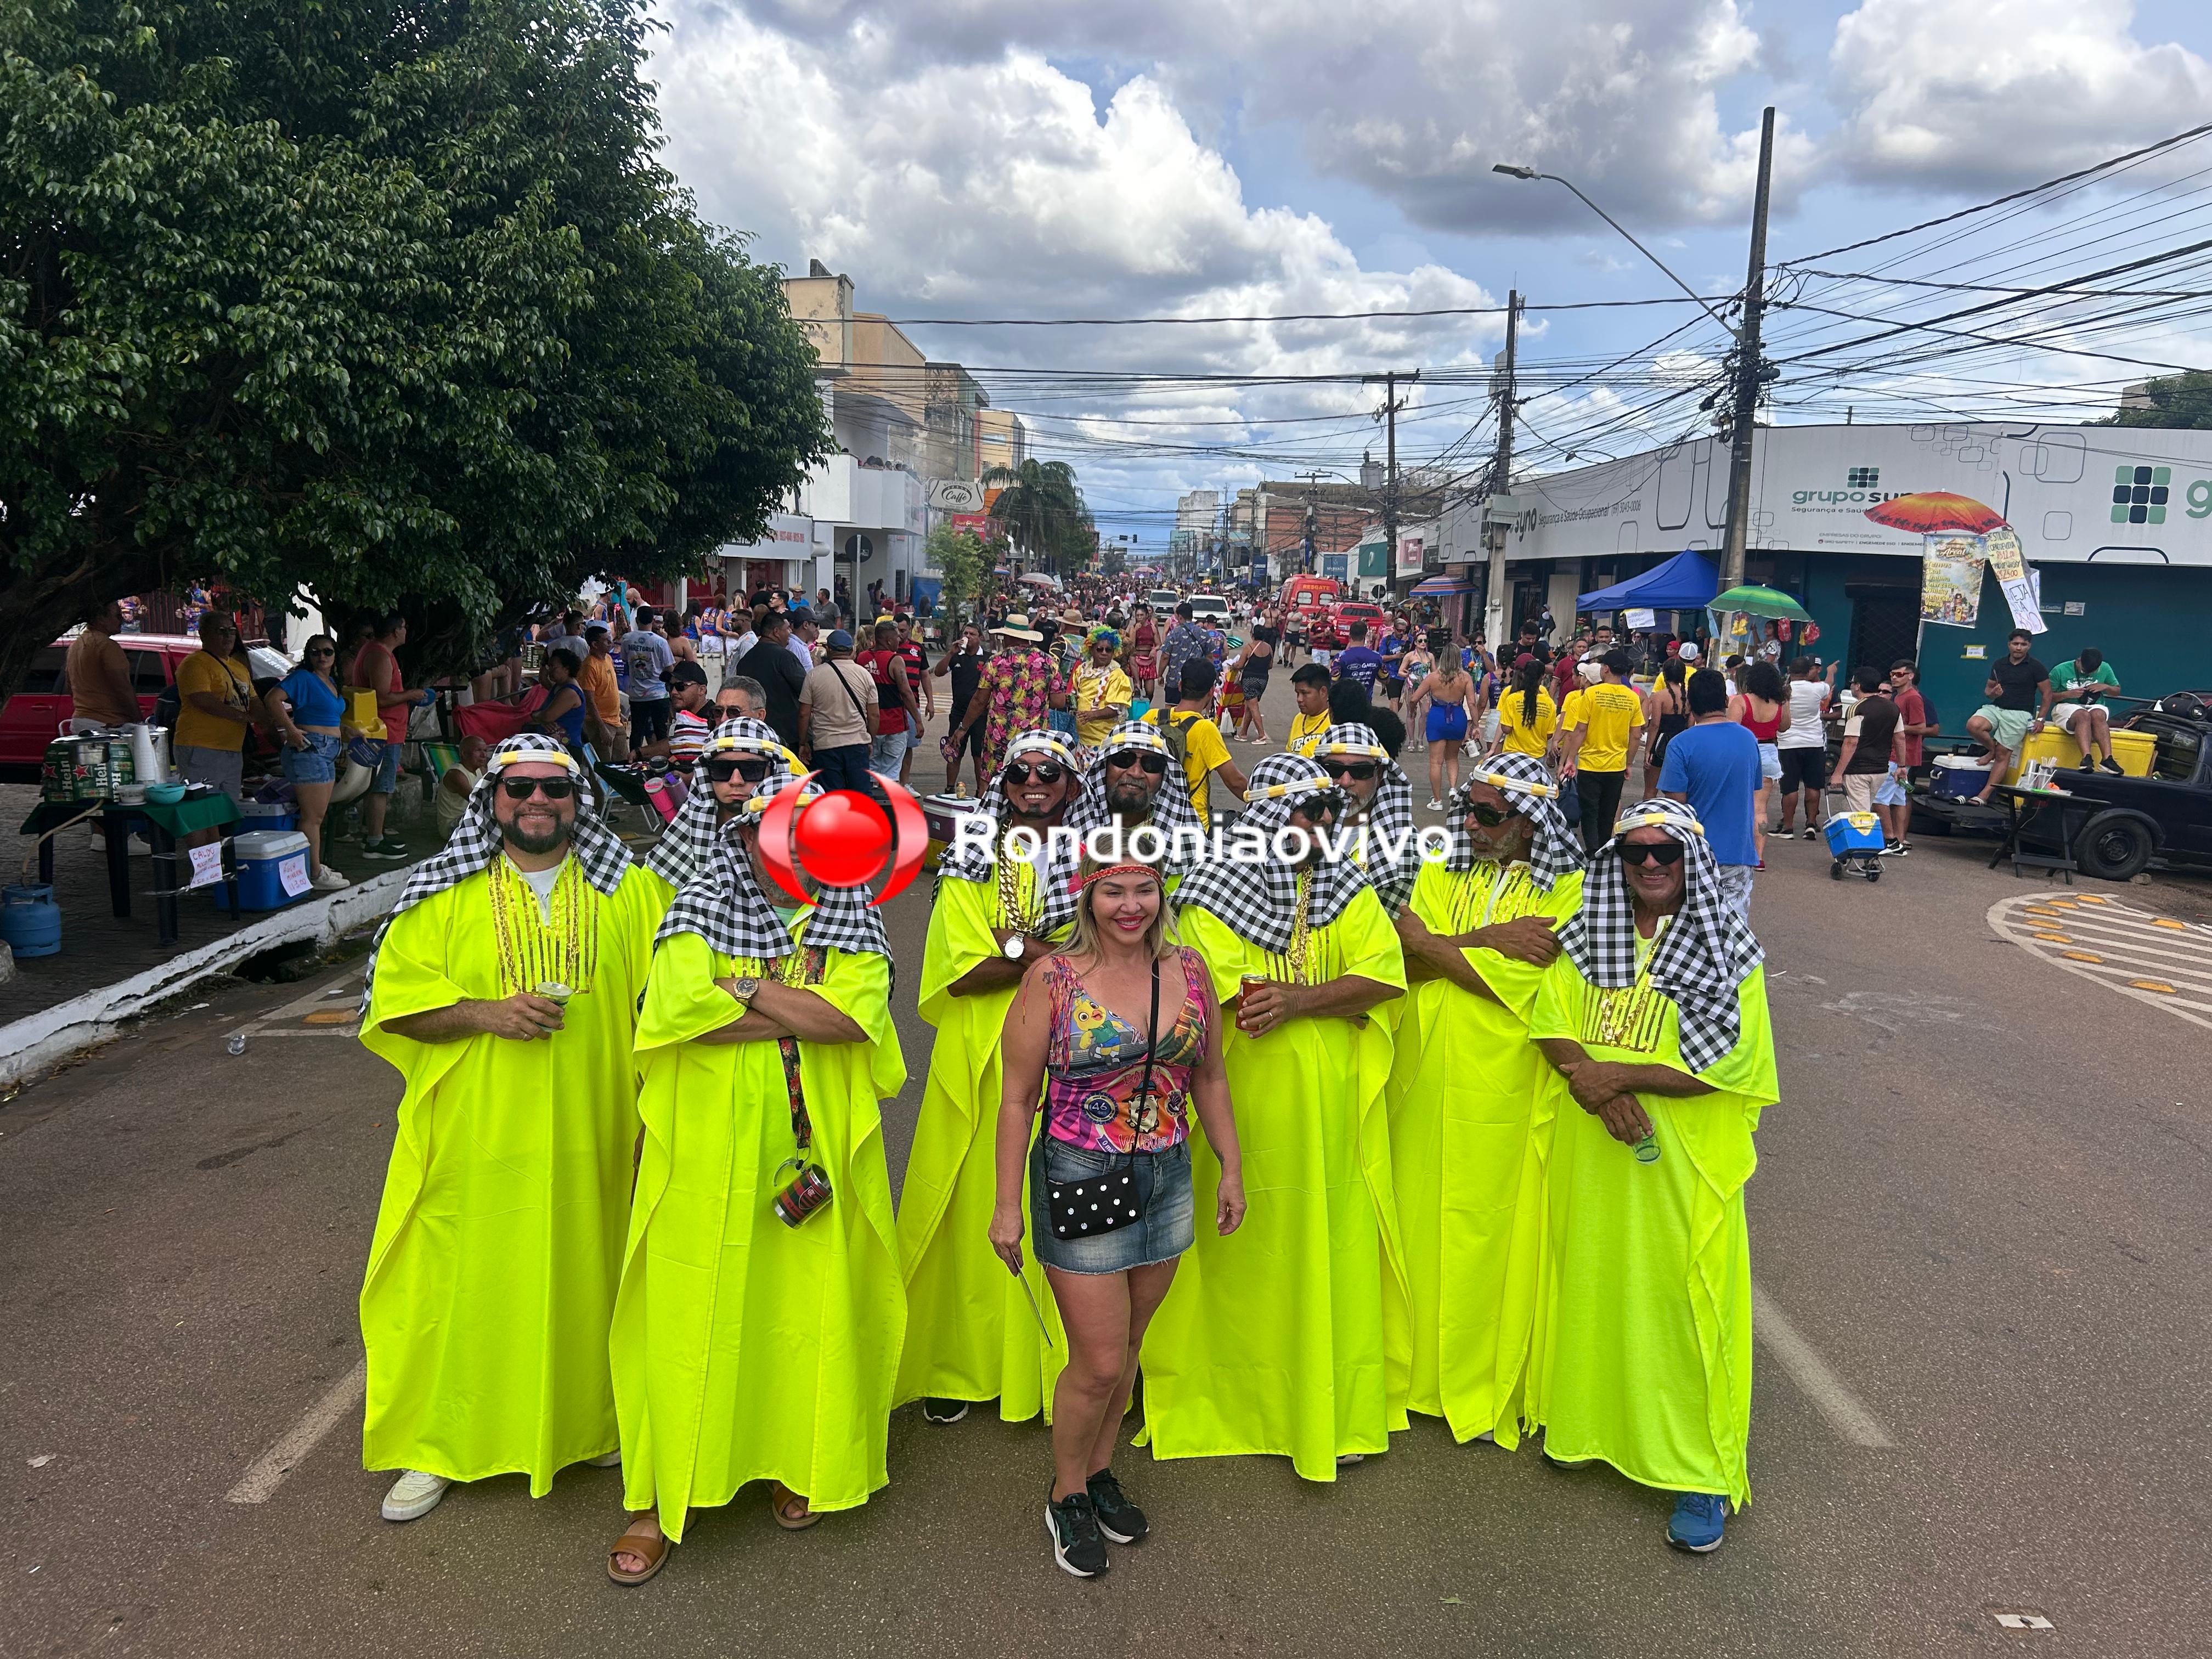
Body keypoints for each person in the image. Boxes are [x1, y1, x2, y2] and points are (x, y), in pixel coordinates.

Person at [604, 776, 905, 1583]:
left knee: (801, 1310)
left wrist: (740, 988)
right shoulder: (697, 908)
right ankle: (658, 1500)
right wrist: (795, 1002)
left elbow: (853, 1023)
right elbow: (674, 1016)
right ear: (742, 842)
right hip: (703, 1155)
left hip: (815, 1155)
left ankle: (794, 1456)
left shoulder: (849, 914)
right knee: (687, 1312)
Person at [358, 736, 658, 1524]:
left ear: (576, 800)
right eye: (518, 787)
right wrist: (480, 1014)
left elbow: (669, 1006)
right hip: (477, 1137)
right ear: (491, 799)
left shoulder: (629, 892)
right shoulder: (442, 895)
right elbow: (394, 1005)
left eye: (554, 789)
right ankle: (437, 1444)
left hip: (599, 1129)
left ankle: (589, 1423)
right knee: (458, 1285)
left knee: (589, 1276)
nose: (537, 802)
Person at [1142, 751, 1407, 1480]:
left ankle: (1326, 1403)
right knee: (1240, 1254)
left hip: (1330, 1116)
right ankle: (1229, 1401)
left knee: (1324, 1249)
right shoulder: (1209, 892)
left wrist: (1300, 1000)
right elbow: (1238, 1000)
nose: (1323, 824)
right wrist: (1329, 998)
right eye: (1307, 810)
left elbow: (1382, 976)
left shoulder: (1346, 887)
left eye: (1332, 810)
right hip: (1239, 1112)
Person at [1527, 799, 1776, 1554]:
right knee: (1594, 1291)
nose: (1651, 867)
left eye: (1666, 852)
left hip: (1680, 1169)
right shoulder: (1591, 935)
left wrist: (1617, 1079)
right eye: (1635, 855)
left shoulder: (1726, 946)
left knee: (1683, 1308)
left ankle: (1701, 1472)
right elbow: (1551, 1024)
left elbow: (1737, 1065)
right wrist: (1592, 1083)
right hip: (1596, 1158)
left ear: (1691, 860)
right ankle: (1587, 1427)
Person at [991, 855, 1244, 1577]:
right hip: (1080, 1173)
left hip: (1166, 1175)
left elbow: (1211, 1076)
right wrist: (1007, 1207)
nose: (1130, 905)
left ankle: (1098, 1472)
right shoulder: (1053, 980)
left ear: (1162, 893)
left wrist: (1230, 1165)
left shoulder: (1191, 969)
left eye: (1143, 889)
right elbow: (1016, 1099)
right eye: (1113, 891)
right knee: (1098, 1361)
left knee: (1130, 1345)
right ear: (1088, 898)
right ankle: (1066, 1492)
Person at [1386, 753, 1585, 1445]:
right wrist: (1482, 942)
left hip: (1502, 1092)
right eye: (1466, 810)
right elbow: (1397, 957)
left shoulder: (1572, 893)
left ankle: (1470, 1379)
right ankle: (1407, 1375)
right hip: (1420, 1079)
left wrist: (1436, 945)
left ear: (1531, 826)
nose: (1468, 823)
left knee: (1487, 1235)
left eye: (1487, 815)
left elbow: (1528, 987)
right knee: (1413, 1223)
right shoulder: (1441, 869)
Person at [902, 732, 1086, 1427]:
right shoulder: (972, 862)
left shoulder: (1094, 858)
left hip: (1078, 1051)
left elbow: (1121, 946)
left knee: (1075, 1200)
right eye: (1018, 773)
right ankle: (963, 1364)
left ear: (1071, 784)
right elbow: (964, 969)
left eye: (1049, 773)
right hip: (984, 1057)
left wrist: (1011, 944)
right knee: (978, 1200)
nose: (1032, 783)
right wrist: (1060, 955)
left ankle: (1072, 1370)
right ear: (1001, 782)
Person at [639, 718, 794, 905]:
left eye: (752, 770)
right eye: (722, 769)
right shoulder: (681, 841)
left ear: (773, 772)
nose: (736, 781)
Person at [1660, 670, 1763, 921]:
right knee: (1733, 930)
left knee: (1688, 930)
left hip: (1694, 854)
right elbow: (1753, 790)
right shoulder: (1749, 739)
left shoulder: (1680, 744)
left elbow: (1677, 806)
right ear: (1726, 701)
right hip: (1738, 852)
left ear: (1690, 705)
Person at [263, 633, 359, 890]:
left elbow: (327, 715)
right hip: (310, 749)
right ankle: (314, 873)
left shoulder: (330, 682)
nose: (322, 657)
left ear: (335, 655)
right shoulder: (303, 678)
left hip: (326, 750)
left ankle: (311, 867)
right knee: (312, 817)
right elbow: (272, 699)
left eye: (327, 652)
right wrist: (291, 730)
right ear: (308, 655)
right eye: (315, 652)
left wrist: (345, 730)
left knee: (317, 816)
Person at [1313, 722, 1419, 917]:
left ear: (1379, 775)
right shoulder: (1294, 835)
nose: (1345, 782)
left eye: (1361, 771)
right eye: (1333, 770)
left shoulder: (1413, 849)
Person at [351, 613, 429, 859]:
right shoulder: (379, 655)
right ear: (396, 631)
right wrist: (411, 695)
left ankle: (374, 833)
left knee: (380, 784)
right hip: (383, 731)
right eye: (404, 627)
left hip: (387, 729)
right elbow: (382, 697)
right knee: (381, 786)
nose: (406, 632)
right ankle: (375, 840)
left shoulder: (377, 652)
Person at [953, 616, 1068, 780]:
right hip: (1033, 739)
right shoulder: (1049, 662)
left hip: (999, 738)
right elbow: (1059, 701)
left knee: (993, 781)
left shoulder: (996, 662)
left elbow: (979, 701)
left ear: (1008, 636)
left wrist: (963, 728)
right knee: (1030, 780)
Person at [1558, 650, 1645, 851]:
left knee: (1590, 812)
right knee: (1608, 811)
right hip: (1616, 765)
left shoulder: (1591, 694)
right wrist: (1629, 763)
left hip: (1590, 764)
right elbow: (1635, 736)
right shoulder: (1632, 698)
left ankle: (1592, 851)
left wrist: (1571, 759)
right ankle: (1605, 848)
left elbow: (1580, 729)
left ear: (1606, 669)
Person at [1145, 658, 1247, 827]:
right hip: (1192, 822)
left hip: (1153, 817)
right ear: (1211, 691)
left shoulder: (1151, 717)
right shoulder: (1205, 729)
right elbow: (1235, 782)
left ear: (1180, 685)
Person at [174, 612, 258, 810]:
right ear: (203, 634)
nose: (228, 636)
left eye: (231, 631)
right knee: (202, 810)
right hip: (201, 747)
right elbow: (202, 700)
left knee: (227, 812)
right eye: (221, 631)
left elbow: (254, 702)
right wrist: (243, 717)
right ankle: (204, 843)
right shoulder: (195, 664)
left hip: (232, 749)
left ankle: (222, 842)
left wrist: (277, 723)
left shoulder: (239, 668)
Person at [798, 630, 881, 795]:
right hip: (857, 745)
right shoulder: (865, 675)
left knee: (830, 796)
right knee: (861, 796)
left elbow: (804, 714)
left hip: (826, 746)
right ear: (852, 651)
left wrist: (803, 743)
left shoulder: (814, 676)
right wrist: (870, 739)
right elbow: (874, 715)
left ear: (829, 650)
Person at [1729, 661, 1789, 868]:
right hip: (1769, 755)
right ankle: (1758, 856)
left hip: (1745, 754)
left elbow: (1731, 732)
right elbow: (1784, 727)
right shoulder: (1780, 703)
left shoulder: (1741, 701)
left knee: (1737, 804)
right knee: (1760, 808)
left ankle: (1737, 850)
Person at [1835, 665, 1907, 831]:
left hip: (1858, 770)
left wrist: (1838, 773)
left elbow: (1851, 742)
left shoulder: (1857, 708)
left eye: (1852, 683)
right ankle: (1864, 850)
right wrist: (1902, 766)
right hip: (1881, 769)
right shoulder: (1893, 707)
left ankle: (1863, 852)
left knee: (1860, 818)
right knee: (1866, 811)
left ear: (1858, 686)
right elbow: (1901, 738)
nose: (1851, 686)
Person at [1774, 656, 1837, 836]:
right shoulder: (1817, 689)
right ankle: (1811, 823)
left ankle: (1788, 826)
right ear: (1809, 671)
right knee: (1813, 785)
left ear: (1788, 671)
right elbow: (1829, 684)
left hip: (1788, 743)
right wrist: (1831, 671)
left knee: (1790, 787)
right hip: (1814, 743)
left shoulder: (1783, 691)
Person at [1413, 640, 1476, 810]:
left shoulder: (1433, 677)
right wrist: (1475, 724)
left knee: (1435, 762)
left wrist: (1412, 710)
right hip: (1457, 718)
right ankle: (1453, 790)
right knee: (1452, 757)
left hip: (1437, 717)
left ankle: (1437, 800)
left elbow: (1414, 698)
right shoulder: (1465, 678)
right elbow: (1471, 703)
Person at [735, 611, 808, 753]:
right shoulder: (785, 657)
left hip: (756, 733)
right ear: (776, 632)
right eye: (787, 629)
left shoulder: (746, 660)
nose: (791, 633)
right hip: (787, 736)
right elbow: (806, 690)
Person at [932, 621, 990, 794]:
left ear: (980, 638)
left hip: (981, 714)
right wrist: (950, 653)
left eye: (972, 634)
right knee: (954, 750)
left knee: (978, 755)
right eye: (966, 633)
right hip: (958, 712)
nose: (968, 637)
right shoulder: (957, 657)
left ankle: (981, 790)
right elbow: (938, 672)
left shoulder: (988, 658)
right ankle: (950, 787)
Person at [856, 619, 918, 780]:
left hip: (870, 724)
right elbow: (906, 692)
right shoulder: (895, 660)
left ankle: (872, 802)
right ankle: (888, 803)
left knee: (872, 768)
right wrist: (918, 721)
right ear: (889, 640)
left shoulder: (862, 659)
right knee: (891, 770)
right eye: (897, 637)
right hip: (895, 724)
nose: (899, 640)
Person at [2047, 647, 2124, 775]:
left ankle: (2107, 760)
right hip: (2066, 706)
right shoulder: (2060, 670)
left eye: (2091, 673)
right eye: (2084, 671)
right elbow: (2048, 696)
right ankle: (2086, 758)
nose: (2087, 674)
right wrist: (2067, 694)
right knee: (2083, 715)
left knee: (2098, 715)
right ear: (2078, 660)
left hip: (2094, 705)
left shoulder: (2105, 668)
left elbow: (2117, 691)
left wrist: (2105, 687)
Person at [1884, 661, 1936, 853]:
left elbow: (1921, 727)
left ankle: (1890, 840)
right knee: (1898, 798)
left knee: (1881, 798)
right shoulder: (1899, 697)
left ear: (1910, 676)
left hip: (1900, 756)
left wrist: (1893, 727)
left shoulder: (1913, 698)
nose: (1894, 678)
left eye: (1899, 674)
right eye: (1892, 674)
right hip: (1898, 754)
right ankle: (1898, 840)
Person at [66, 599, 140, 732]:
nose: (122, 620)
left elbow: (69, 685)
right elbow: (122, 688)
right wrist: (139, 721)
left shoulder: (76, 645)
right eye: (118, 616)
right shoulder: (106, 646)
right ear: (100, 618)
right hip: (106, 724)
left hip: (81, 720)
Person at [620, 610, 676, 752]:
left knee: (637, 732)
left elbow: (625, 661)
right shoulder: (660, 642)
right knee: (661, 732)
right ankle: (662, 761)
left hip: (637, 696)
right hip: (659, 695)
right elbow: (670, 668)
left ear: (637, 620)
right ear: (653, 621)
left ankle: (634, 763)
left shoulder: (627, 639)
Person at [1073, 628, 1133, 750]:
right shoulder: (1082, 670)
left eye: (1109, 650)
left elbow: (1116, 709)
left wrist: (1092, 715)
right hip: (1082, 741)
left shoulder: (1117, 675)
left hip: (1104, 742)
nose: (1104, 653)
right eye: (1100, 649)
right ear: (1091, 650)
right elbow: (1074, 695)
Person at [1491, 658, 1557, 763]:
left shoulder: (1512, 698)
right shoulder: (1549, 703)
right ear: (1542, 677)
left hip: (1512, 754)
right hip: (1536, 755)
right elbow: (1549, 734)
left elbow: (1507, 729)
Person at [894, 614, 934, 787]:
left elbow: (925, 676)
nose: (900, 634)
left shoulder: (917, 649)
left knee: (908, 746)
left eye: (903, 631)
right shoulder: (888, 649)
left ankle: (904, 783)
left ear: (910, 629)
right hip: (892, 706)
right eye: (897, 631)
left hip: (913, 706)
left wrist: (930, 702)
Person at [577, 627, 628, 761]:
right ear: (595, 645)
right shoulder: (589, 666)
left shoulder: (608, 659)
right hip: (601, 723)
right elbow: (589, 700)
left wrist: (619, 713)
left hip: (616, 721)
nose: (611, 643)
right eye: (606, 641)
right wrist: (602, 729)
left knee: (623, 762)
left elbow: (610, 689)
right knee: (604, 766)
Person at [528, 648, 587, 753]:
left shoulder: (570, 692)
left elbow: (547, 716)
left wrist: (539, 716)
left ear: (566, 669)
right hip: (553, 746)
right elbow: (543, 679)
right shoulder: (559, 686)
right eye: (548, 666)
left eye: (553, 667)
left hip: (567, 749)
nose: (549, 670)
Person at [433, 734, 490, 840]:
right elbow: (477, 801)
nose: (484, 755)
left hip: (470, 818)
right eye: (478, 750)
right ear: (464, 754)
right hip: (452, 827)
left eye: (485, 751)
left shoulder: (480, 770)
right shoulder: (456, 774)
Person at [1238, 614, 1277, 744]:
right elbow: (1270, 666)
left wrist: (1234, 666)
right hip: (1263, 680)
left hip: (1249, 679)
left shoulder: (1249, 647)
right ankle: (1243, 733)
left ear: (1252, 635)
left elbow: (1241, 665)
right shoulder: (1269, 648)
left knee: (1254, 707)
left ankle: (1261, 735)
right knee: (1250, 705)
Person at [1159, 603, 1210, 702]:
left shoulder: (1173, 633)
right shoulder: (1203, 634)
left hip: (1174, 680)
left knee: (1171, 708)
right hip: (1195, 680)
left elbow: (1165, 656)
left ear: (1180, 616)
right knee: (1191, 710)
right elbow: (1210, 657)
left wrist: (1160, 675)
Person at [1285, 662, 1333, 757]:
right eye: (1297, 693)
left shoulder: (1335, 721)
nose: (1299, 699)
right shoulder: (1298, 719)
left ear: (1323, 692)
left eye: (1305, 693)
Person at [1334, 621, 1383, 699]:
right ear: (1365, 637)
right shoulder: (1377, 657)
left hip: (1344, 704)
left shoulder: (1340, 657)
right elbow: (1385, 679)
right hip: (1365, 704)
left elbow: (1333, 681)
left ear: (1350, 637)